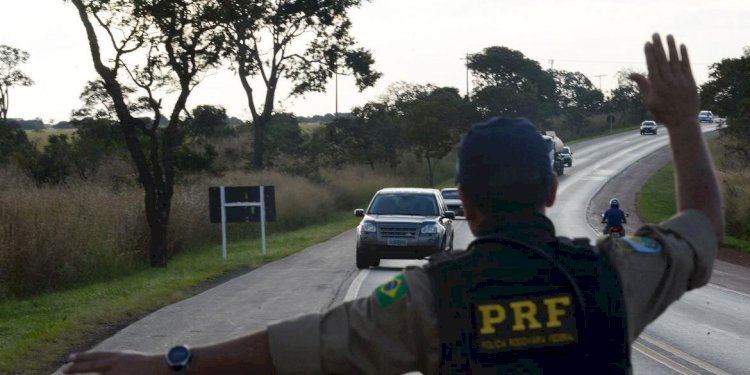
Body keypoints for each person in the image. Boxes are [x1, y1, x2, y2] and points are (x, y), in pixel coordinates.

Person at [64, 33, 723, 375]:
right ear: (552, 191)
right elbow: (699, 230)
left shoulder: (425, 300)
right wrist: (684, 123)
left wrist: (171, 363)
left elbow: (298, 349)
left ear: (463, 200)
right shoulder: (614, 273)